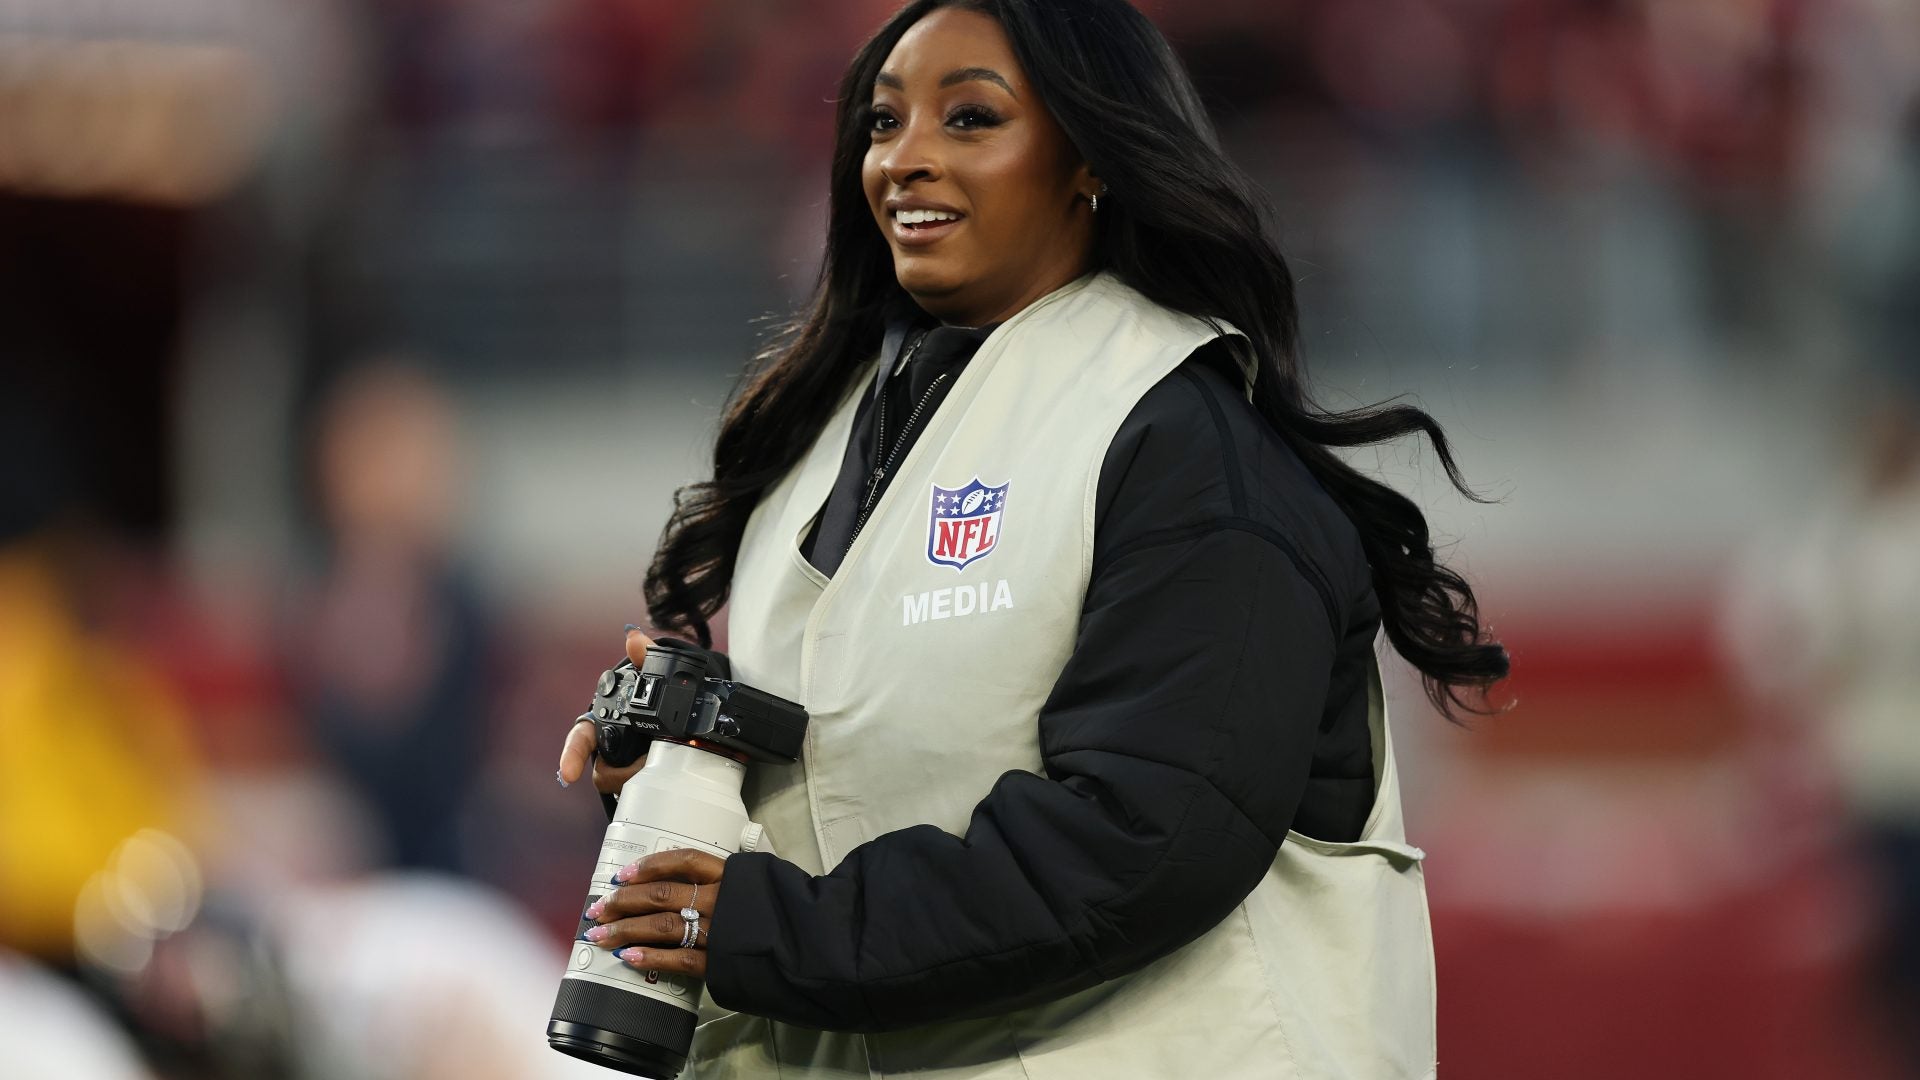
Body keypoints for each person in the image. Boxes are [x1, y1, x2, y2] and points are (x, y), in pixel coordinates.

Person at [555, 2, 1508, 1076]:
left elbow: (1145, 840)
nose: (904, 160)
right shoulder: (818, 447)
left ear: (1089, 158)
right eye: (880, 124)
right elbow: (850, 794)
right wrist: (679, 788)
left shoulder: (1188, 442)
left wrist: (767, 927)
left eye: (969, 119)